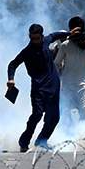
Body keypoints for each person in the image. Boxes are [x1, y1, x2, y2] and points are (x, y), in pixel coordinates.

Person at [7, 24, 71, 152]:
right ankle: (24, 141)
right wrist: (11, 79)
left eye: (37, 38)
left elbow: (55, 35)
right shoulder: (27, 51)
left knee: (54, 117)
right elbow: (12, 64)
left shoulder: (46, 40)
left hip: (53, 86)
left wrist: (70, 33)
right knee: (37, 114)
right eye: (32, 38)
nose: (35, 41)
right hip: (38, 88)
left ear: (41, 36)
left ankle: (42, 140)